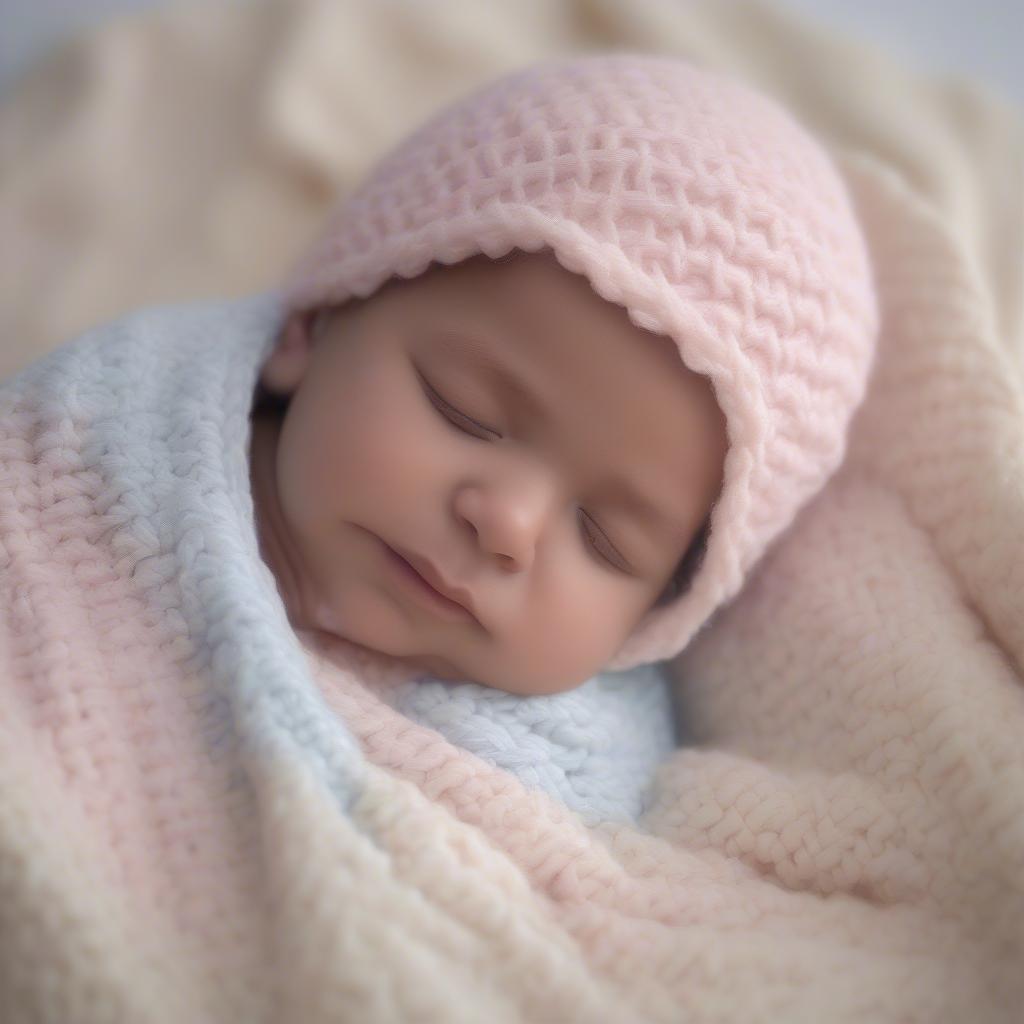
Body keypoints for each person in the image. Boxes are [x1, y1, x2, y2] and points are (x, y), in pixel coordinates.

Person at [249, 52, 879, 696]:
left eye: (606, 540)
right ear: (317, 321)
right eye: (462, 411)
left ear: (661, 611)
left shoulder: (557, 784)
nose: (507, 524)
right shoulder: (142, 476)